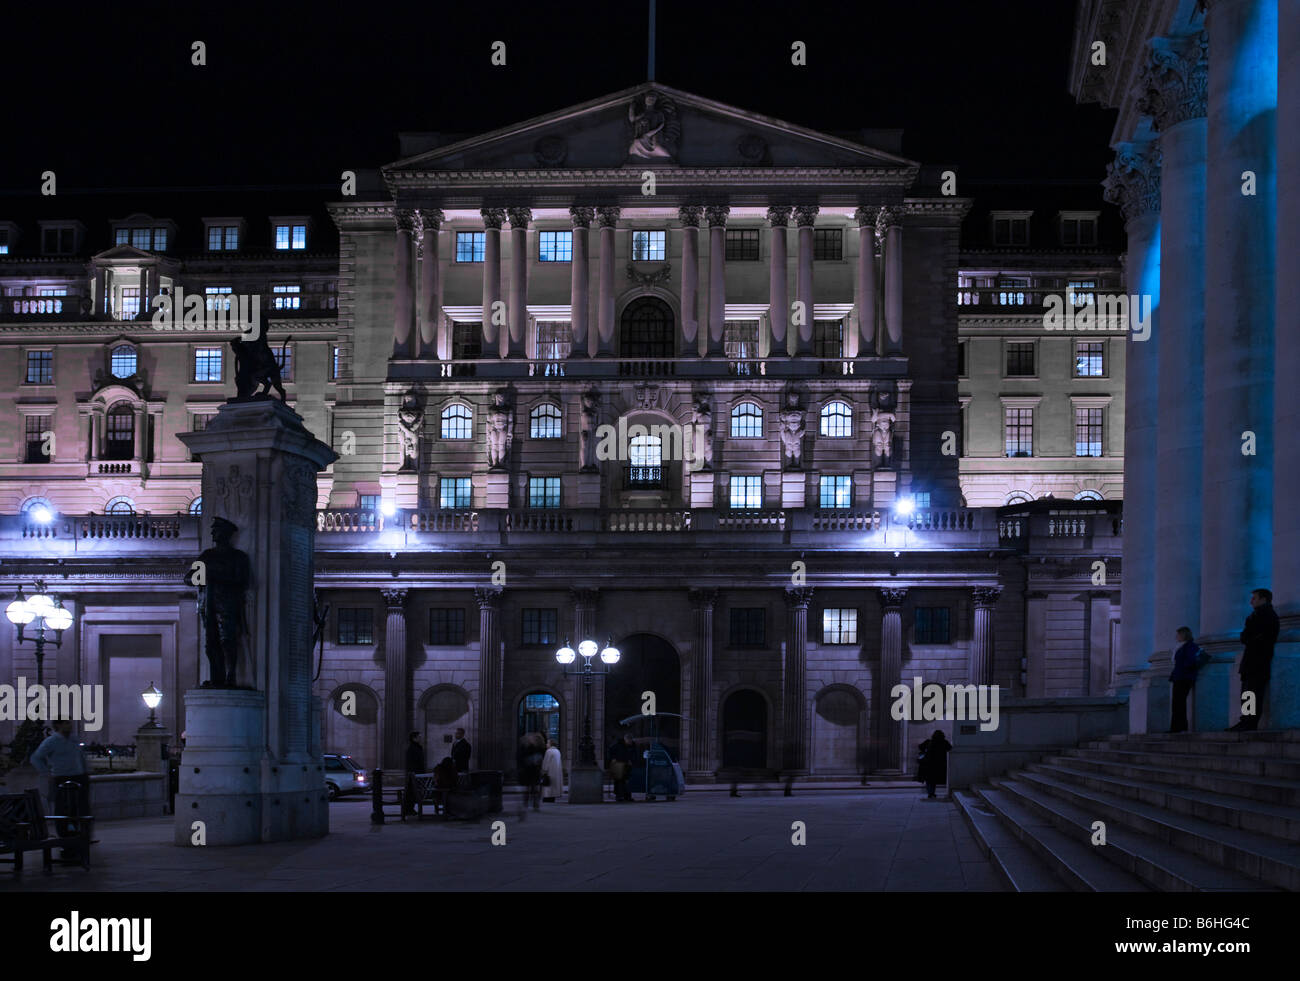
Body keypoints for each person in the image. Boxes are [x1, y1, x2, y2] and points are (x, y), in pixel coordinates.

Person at [1229, 588, 1280, 731]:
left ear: (1263, 599)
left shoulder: (1268, 616)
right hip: (1251, 660)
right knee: (1246, 693)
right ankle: (1245, 720)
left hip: (1258, 661)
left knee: (1252, 692)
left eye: (1254, 598)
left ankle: (1249, 722)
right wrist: (1250, 638)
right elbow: (1244, 637)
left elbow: (1259, 637)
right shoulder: (1254, 616)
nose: (1251, 601)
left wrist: (1250, 638)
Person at [30, 720, 90, 838]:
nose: (70, 725)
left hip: (79, 777)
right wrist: (46, 773)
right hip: (61, 778)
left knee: (81, 808)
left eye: (70, 723)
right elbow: (36, 758)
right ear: (58, 725)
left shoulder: (74, 739)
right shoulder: (51, 741)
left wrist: (85, 771)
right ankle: (64, 835)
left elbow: (81, 756)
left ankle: (82, 834)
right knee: (63, 808)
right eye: (66, 723)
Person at [1168, 627, 1204, 733]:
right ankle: (1176, 727)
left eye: (1178, 634)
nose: (1176, 637)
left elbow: (1190, 661)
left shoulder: (1190, 646)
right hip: (1178, 677)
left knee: (1179, 703)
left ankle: (1180, 727)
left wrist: (1182, 668)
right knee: (1176, 703)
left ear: (1184, 635)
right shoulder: (1180, 647)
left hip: (1184, 677)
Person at [916, 729, 952, 799]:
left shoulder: (929, 742)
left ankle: (930, 793)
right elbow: (950, 748)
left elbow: (920, 747)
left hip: (929, 764)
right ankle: (932, 793)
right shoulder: (944, 742)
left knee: (929, 780)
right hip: (939, 764)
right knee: (934, 779)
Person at [517, 732, 544, 813]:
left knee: (534, 788)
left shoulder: (538, 748)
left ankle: (534, 804)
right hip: (529, 770)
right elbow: (521, 757)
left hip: (534, 770)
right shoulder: (526, 747)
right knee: (529, 788)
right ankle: (528, 804)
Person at [607, 732, 636, 802]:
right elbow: (610, 751)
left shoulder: (632, 746)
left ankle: (627, 796)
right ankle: (619, 796)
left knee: (626, 781)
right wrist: (613, 759)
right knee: (619, 780)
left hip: (626, 765)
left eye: (631, 740)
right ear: (625, 739)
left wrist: (631, 760)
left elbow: (633, 755)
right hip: (619, 764)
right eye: (629, 740)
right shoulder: (618, 745)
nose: (630, 742)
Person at [404, 731, 426, 815]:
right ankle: (409, 809)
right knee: (411, 792)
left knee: (412, 792)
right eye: (419, 737)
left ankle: (409, 809)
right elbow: (412, 762)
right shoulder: (413, 748)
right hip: (414, 773)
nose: (421, 738)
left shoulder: (416, 747)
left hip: (416, 773)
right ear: (414, 738)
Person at [541, 738, 563, 803]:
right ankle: (552, 798)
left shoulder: (549, 751)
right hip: (556, 773)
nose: (546, 744)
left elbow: (546, 763)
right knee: (553, 787)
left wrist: (543, 770)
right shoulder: (557, 751)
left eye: (547, 743)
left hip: (549, 773)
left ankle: (547, 799)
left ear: (551, 744)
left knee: (548, 787)